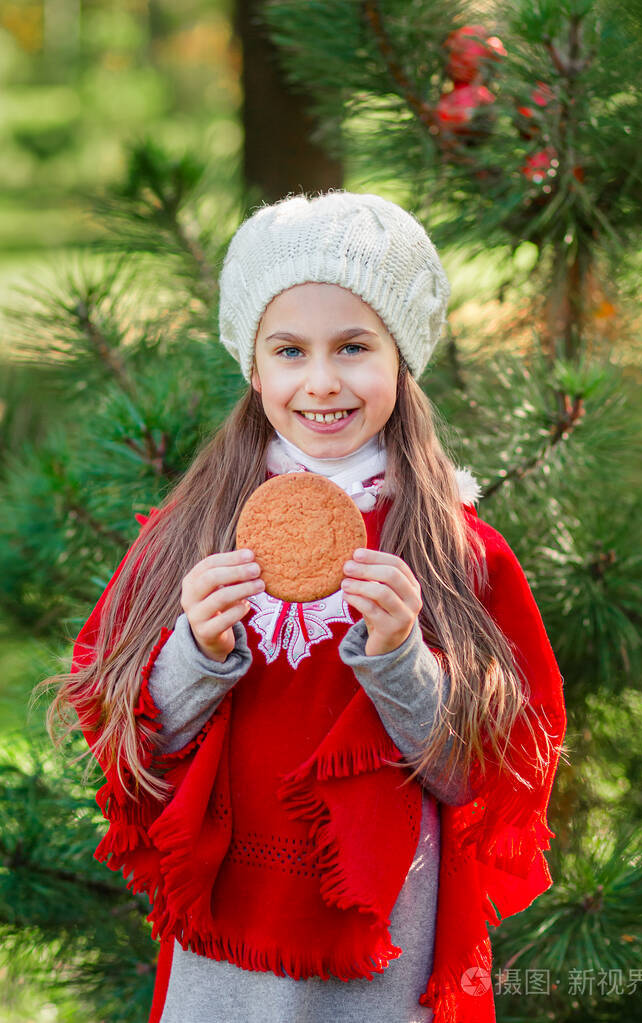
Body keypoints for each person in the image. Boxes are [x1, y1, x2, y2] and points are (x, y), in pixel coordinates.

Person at [46, 190, 567, 1023]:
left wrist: (401, 656)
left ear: (403, 360)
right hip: (221, 950)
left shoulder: (456, 551)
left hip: (383, 950)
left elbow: (480, 776)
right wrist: (195, 651)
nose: (321, 381)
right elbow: (125, 740)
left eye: (354, 346)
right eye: (290, 349)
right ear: (253, 367)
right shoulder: (193, 535)